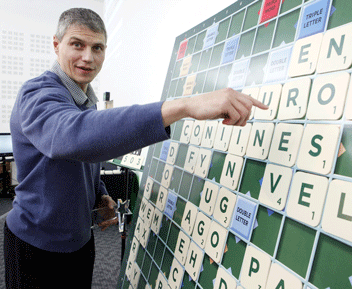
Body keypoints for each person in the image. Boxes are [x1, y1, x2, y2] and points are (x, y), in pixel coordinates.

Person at [3, 7, 268, 289]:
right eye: (77, 45)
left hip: (79, 240)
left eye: (97, 48)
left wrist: (99, 195)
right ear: (57, 45)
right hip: (36, 245)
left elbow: (84, 156)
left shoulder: (82, 99)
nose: (88, 57)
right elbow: (72, 137)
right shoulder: (37, 93)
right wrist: (183, 106)